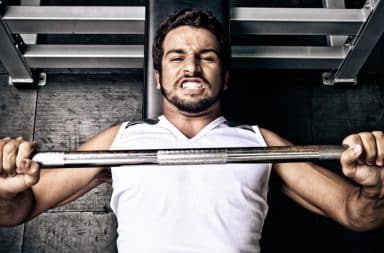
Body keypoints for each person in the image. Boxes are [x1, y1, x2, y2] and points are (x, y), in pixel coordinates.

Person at [1, 8, 384, 253]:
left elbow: (356, 215)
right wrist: (4, 190)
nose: (192, 68)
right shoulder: (121, 140)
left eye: (207, 57)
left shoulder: (260, 142)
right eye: (177, 57)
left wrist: (376, 188)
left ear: (226, 76)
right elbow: (21, 209)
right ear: (158, 76)